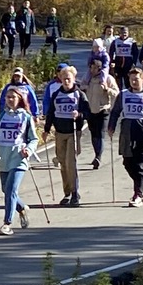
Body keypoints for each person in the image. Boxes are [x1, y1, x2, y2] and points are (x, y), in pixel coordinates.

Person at [107, 66, 143, 208]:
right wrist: (111, 126)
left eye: (136, 79)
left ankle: (138, 194)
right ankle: (142, 183)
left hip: (142, 131)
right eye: (131, 79)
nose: (133, 82)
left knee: (139, 163)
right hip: (127, 130)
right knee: (127, 163)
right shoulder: (123, 94)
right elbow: (115, 112)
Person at [0, 86, 38, 235]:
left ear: (20, 99)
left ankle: (7, 223)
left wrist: (29, 150)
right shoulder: (1, 116)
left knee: (11, 190)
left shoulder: (25, 117)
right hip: (3, 158)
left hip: (18, 159)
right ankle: (22, 207)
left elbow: (33, 139)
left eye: (13, 97)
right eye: (8, 97)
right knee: (5, 190)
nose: (10, 100)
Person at [43, 66, 89, 207]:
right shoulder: (57, 94)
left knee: (71, 163)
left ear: (74, 79)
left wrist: (79, 114)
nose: (66, 81)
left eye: (69, 79)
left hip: (73, 132)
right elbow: (51, 112)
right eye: (64, 79)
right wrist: (46, 129)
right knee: (63, 164)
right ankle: (67, 192)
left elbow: (88, 112)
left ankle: (75, 193)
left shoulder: (79, 94)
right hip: (59, 133)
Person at [81, 57, 120, 169]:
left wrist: (107, 89)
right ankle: (96, 153)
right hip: (90, 109)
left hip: (103, 110)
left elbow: (116, 93)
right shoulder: (87, 77)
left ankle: (98, 157)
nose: (92, 70)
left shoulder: (107, 78)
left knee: (100, 133)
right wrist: (84, 87)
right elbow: (80, 87)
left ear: (100, 69)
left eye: (95, 68)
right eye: (91, 67)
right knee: (94, 134)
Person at [109, 26, 139, 91]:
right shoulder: (115, 41)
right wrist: (112, 62)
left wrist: (134, 62)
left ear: (128, 33)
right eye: (122, 33)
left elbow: (135, 53)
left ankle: (129, 94)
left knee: (127, 81)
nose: (124, 34)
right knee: (118, 82)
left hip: (128, 64)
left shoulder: (132, 41)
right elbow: (111, 52)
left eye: (125, 32)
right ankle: (119, 97)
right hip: (118, 64)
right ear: (119, 33)